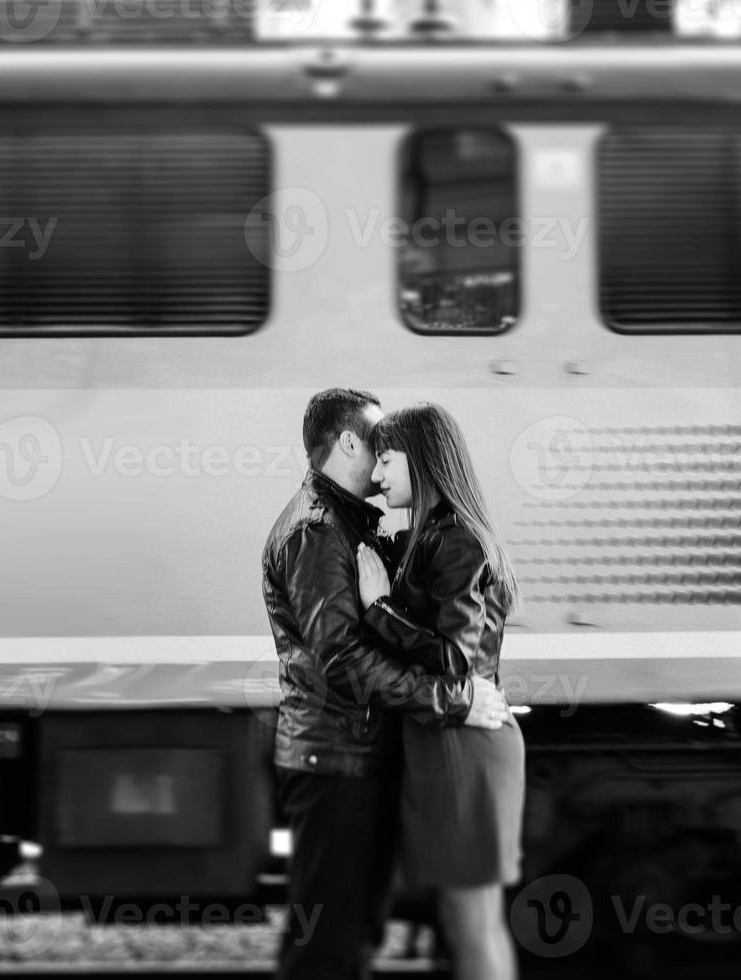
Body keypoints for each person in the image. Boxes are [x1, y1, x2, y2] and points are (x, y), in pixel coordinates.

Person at [262, 388, 512, 980]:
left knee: (355, 937)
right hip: (335, 759)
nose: (381, 461)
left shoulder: (356, 526)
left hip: (351, 756)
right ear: (347, 441)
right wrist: (451, 700)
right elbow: (344, 659)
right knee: (328, 948)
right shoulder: (318, 532)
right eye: (376, 443)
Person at [354, 402, 525, 980]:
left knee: (472, 920)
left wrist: (379, 608)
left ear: (423, 460)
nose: (376, 478)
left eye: (385, 461)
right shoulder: (435, 537)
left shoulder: (456, 542)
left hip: (463, 741)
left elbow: (456, 659)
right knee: (466, 919)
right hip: (449, 739)